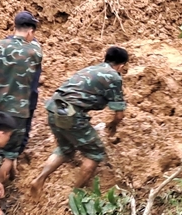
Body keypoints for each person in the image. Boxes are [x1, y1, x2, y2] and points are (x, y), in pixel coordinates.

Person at [30, 46, 128, 197]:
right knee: (95, 153)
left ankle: (39, 180)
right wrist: (112, 126)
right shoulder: (114, 77)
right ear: (121, 66)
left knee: (65, 149)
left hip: (53, 107)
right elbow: (119, 115)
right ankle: (75, 195)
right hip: (70, 114)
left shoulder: (91, 69)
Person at [0, 11, 43, 182]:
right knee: (9, 154)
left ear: (14, 27)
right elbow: (34, 79)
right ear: (30, 32)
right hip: (19, 110)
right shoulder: (35, 50)